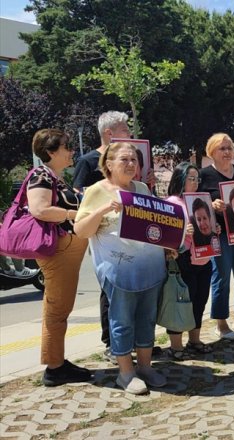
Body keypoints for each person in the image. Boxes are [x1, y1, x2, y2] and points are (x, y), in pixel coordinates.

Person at [75, 142, 168, 395]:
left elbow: (156, 223)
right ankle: (126, 373)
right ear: (109, 163)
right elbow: (80, 230)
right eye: (124, 160)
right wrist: (105, 208)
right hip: (118, 270)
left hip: (150, 268)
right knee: (122, 320)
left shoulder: (141, 189)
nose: (131, 165)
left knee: (146, 319)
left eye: (134, 161)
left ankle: (146, 367)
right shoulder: (96, 191)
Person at [26, 129, 91, 386]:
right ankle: (55, 367)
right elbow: (39, 209)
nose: (71, 151)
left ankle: (57, 362)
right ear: (51, 152)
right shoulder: (40, 174)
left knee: (59, 309)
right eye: (66, 147)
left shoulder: (55, 177)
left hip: (65, 251)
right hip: (58, 251)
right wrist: (74, 215)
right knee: (56, 310)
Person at [71, 111, 131, 363]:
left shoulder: (129, 159)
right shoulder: (87, 161)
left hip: (130, 234)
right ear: (109, 133)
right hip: (103, 235)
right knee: (110, 286)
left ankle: (131, 339)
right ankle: (111, 343)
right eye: (125, 129)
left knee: (130, 285)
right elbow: (78, 193)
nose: (129, 133)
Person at [198, 133, 234, 340]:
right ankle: (221, 323)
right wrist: (211, 205)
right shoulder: (203, 175)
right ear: (212, 152)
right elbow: (197, 204)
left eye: (230, 147)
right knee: (221, 277)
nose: (227, 152)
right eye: (222, 148)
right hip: (221, 234)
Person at [162, 163, 215, 359]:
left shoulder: (200, 200)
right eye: (190, 178)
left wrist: (213, 230)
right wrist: (182, 232)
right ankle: (176, 346)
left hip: (204, 258)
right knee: (181, 302)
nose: (194, 182)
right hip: (183, 259)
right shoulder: (173, 202)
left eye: (197, 179)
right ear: (180, 179)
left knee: (199, 301)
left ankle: (195, 340)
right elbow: (165, 234)